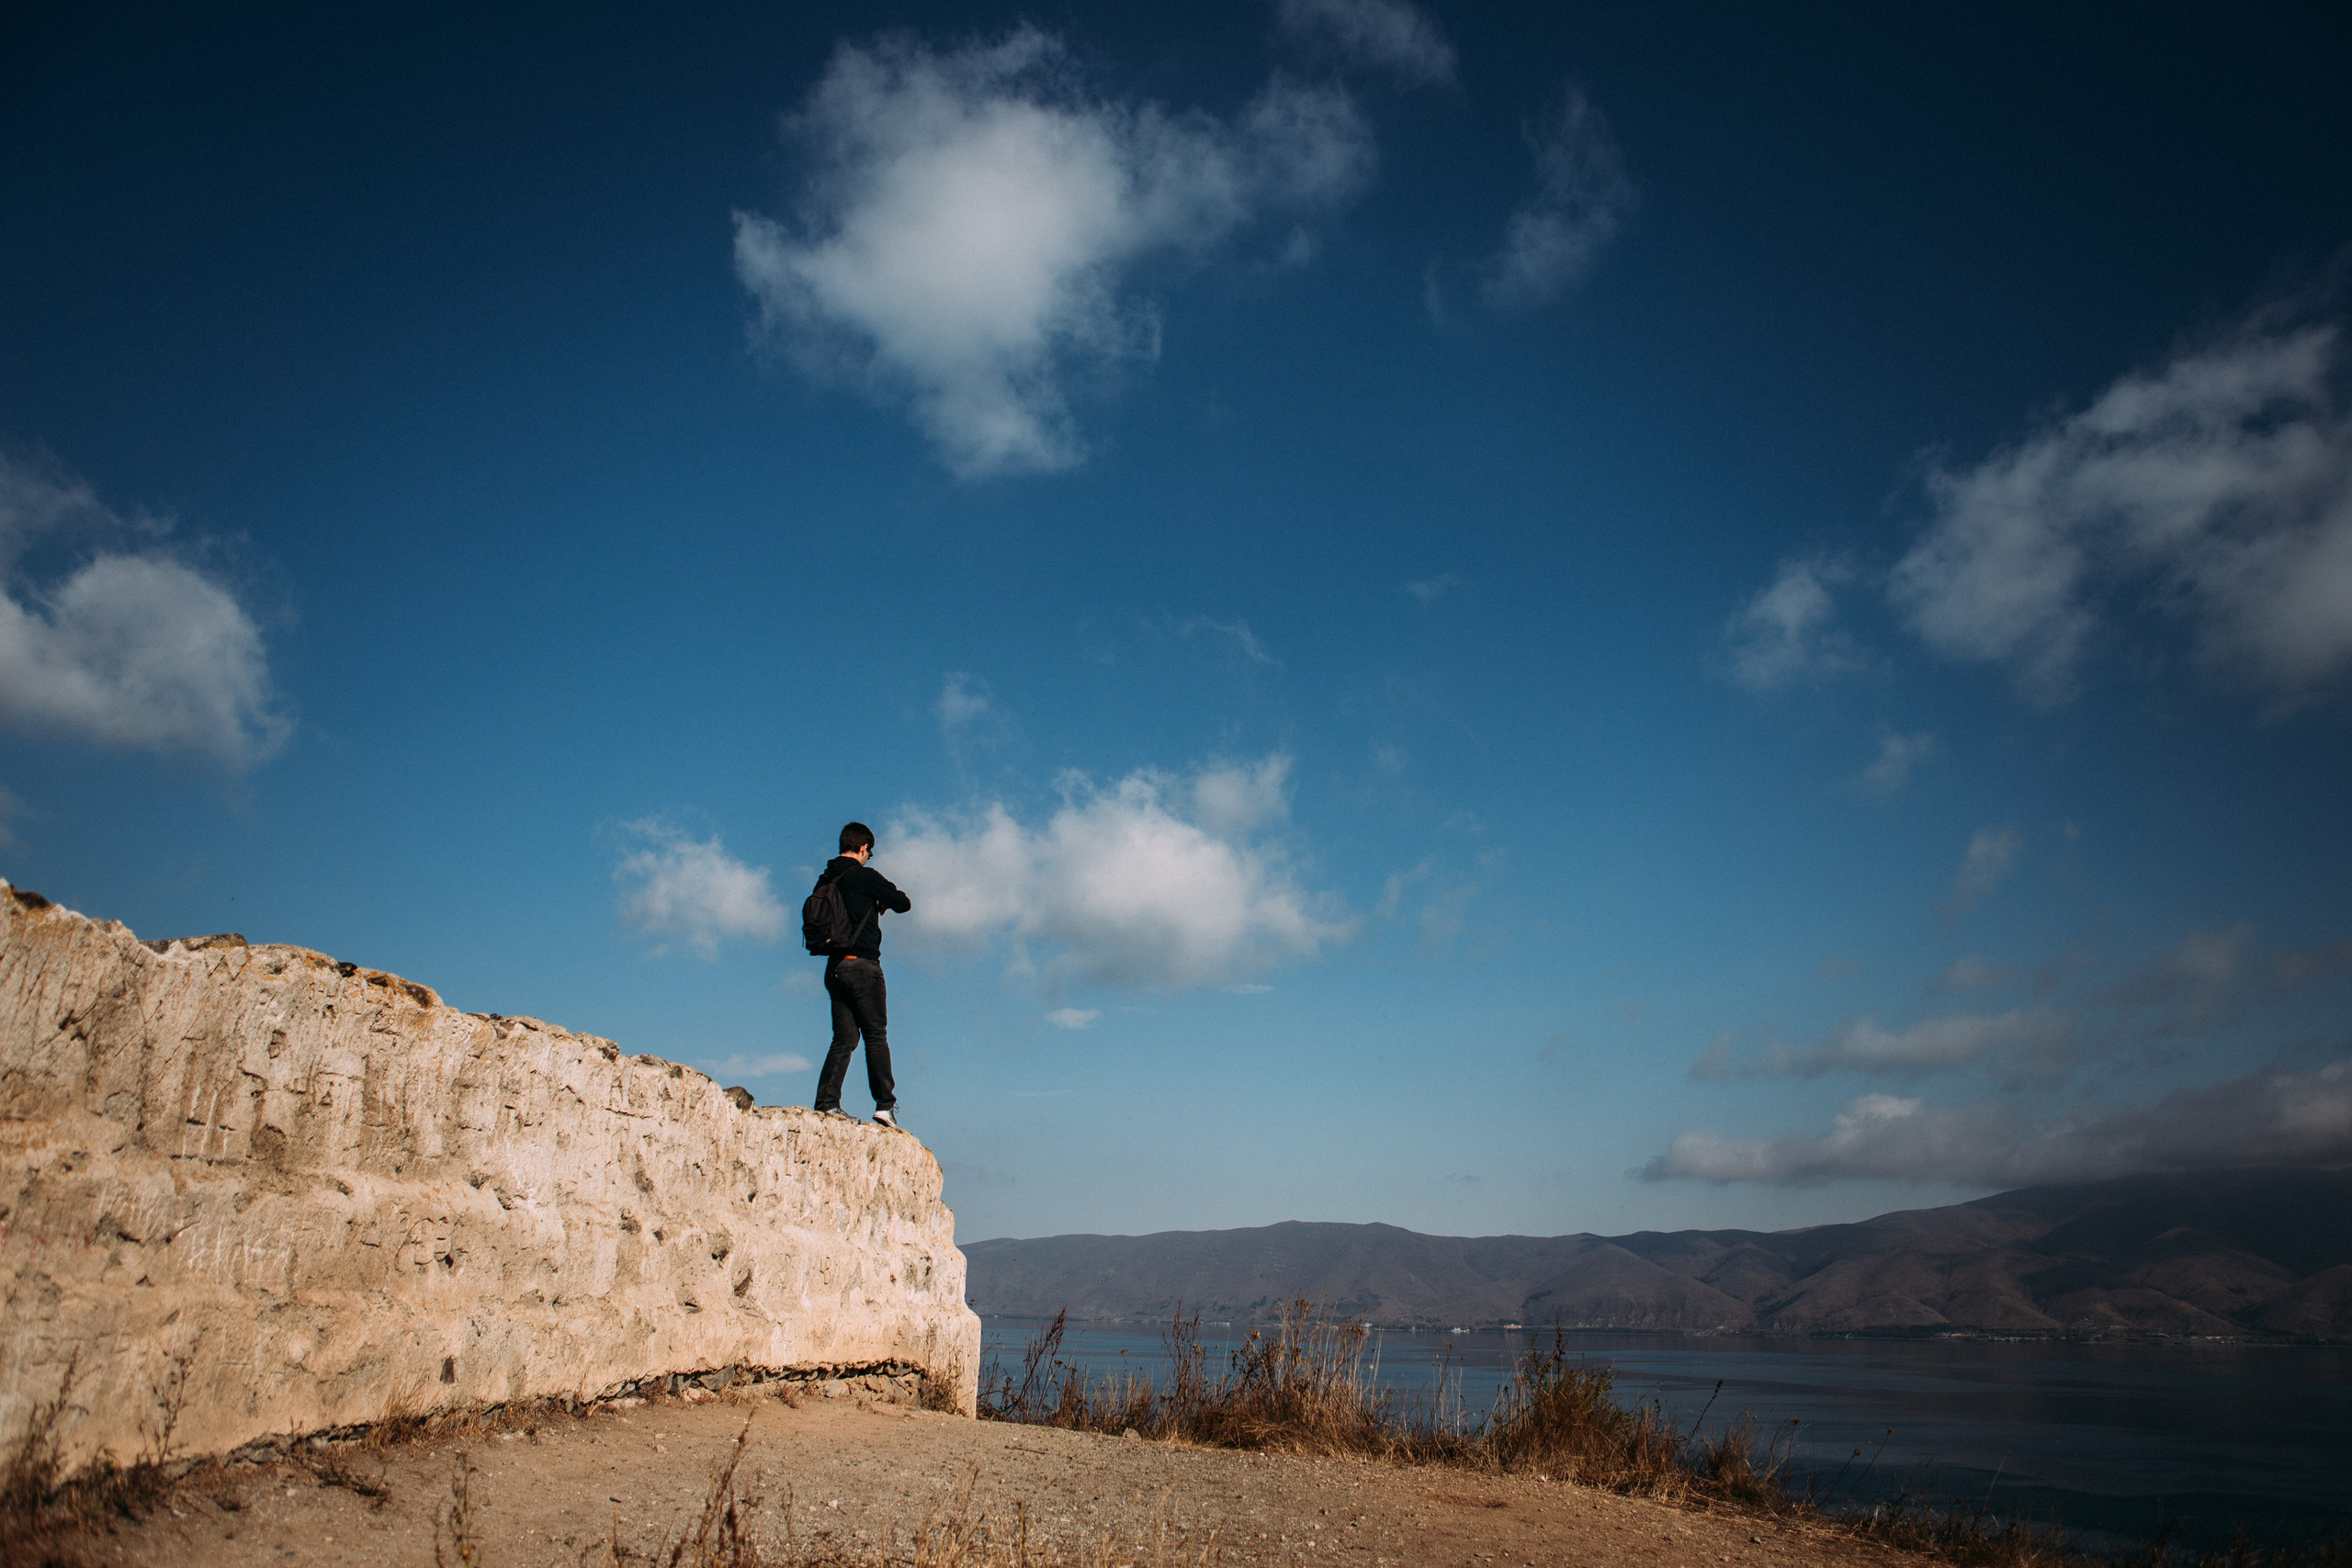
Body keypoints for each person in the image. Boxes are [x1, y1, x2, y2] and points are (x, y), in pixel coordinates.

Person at [811, 821, 911, 1128]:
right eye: (870, 852)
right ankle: (884, 1105)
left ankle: (827, 1104)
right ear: (864, 848)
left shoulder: (826, 879)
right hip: (863, 966)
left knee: (843, 1038)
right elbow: (904, 903)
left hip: (835, 968)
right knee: (875, 1034)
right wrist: (880, 902)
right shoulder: (865, 876)